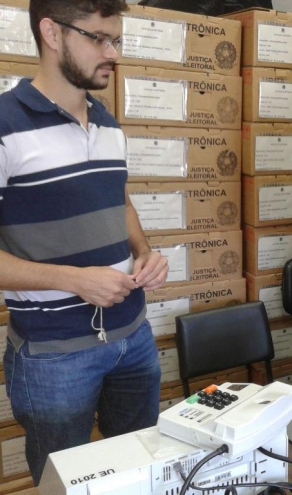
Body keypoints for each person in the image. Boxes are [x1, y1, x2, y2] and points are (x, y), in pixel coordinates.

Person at [0, 0, 169, 484]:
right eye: (98, 39)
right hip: (54, 355)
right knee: (65, 483)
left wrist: (144, 252)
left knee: (138, 473)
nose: (113, 53)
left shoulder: (108, 123)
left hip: (133, 337)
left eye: (116, 40)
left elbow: (120, 202)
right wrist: (74, 280)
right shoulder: (5, 125)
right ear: (52, 34)